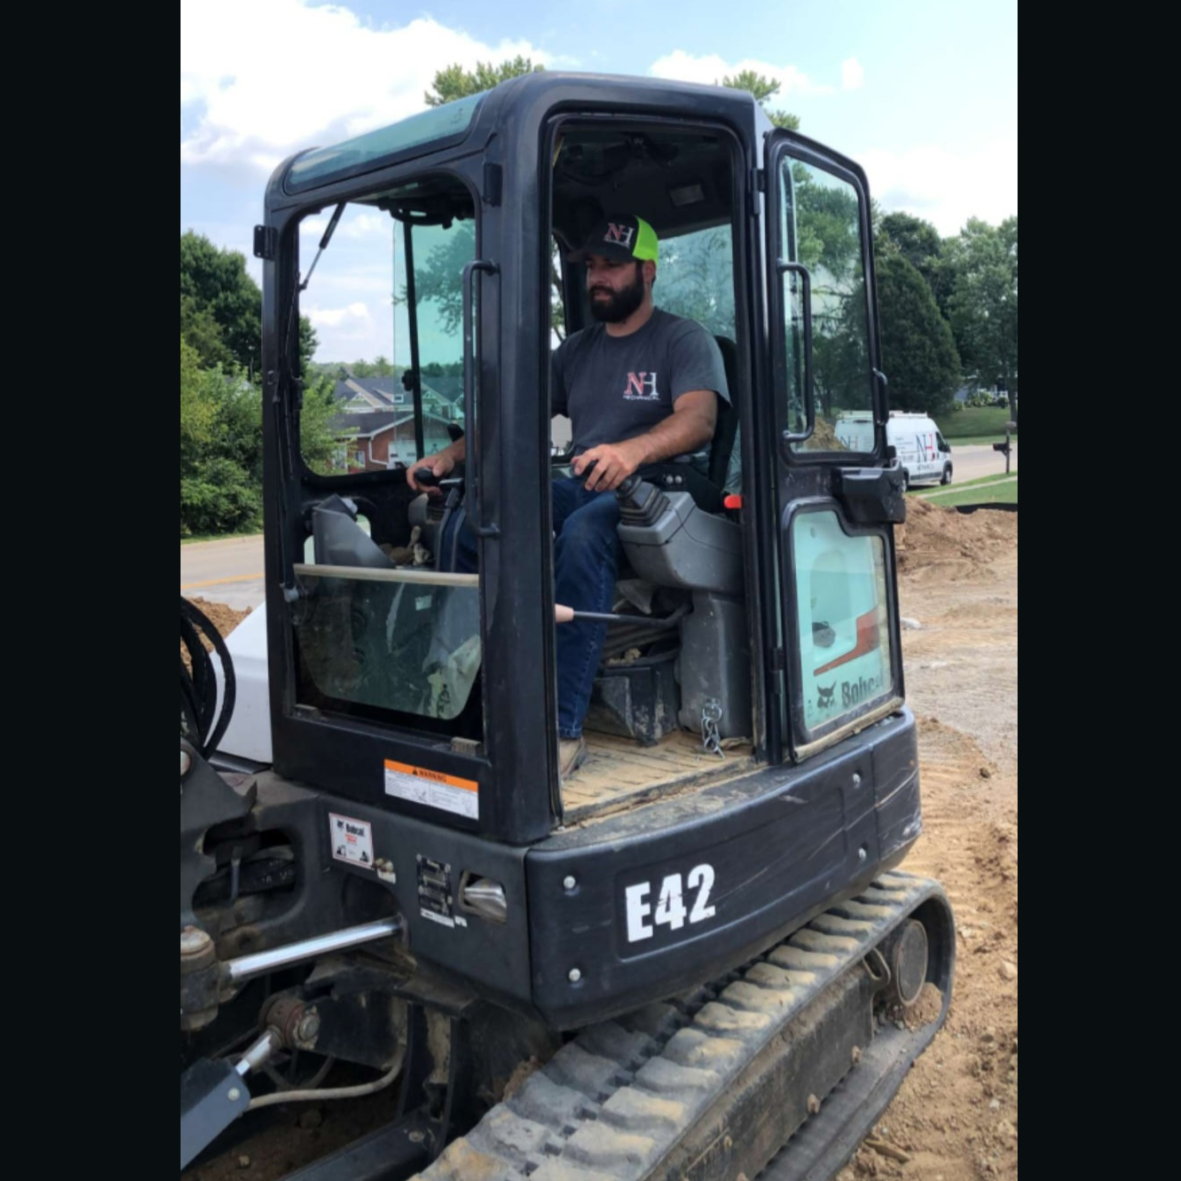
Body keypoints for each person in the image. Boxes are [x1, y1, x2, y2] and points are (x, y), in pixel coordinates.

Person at [409, 213, 730, 779]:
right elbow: (512, 418)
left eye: (612, 265)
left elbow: (699, 421)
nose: (597, 278)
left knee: (584, 536)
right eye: (591, 267)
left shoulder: (684, 340)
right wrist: (448, 459)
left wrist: (631, 452)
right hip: (586, 484)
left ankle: (561, 732)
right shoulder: (577, 351)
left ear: (648, 270)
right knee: (473, 519)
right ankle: (458, 700)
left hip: (661, 494)